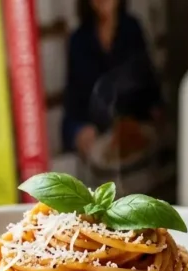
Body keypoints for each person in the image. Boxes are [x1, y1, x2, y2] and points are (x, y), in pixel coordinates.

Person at [62, 0, 163, 159]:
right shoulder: (78, 41)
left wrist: (157, 119)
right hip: (97, 154)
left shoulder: (133, 30)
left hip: (139, 153)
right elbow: (70, 114)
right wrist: (78, 133)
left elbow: (153, 96)